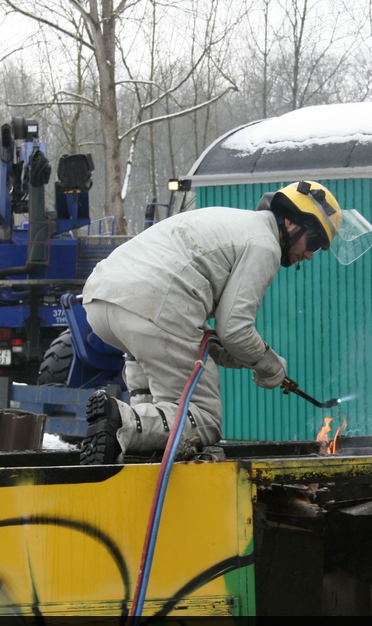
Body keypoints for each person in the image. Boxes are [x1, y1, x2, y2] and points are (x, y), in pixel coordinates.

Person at [77, 181, 344, 464]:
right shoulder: (264, 244)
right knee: (203, 417)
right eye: (314, 243)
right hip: (155, 306)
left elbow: (213, 337)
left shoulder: (235, 223)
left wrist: (243, 357)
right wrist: (269, 365)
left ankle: (139, 437)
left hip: (103, 302)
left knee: (161, 403)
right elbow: (235, 329)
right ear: (291, 221)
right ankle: (120, 421)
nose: (310, 254)